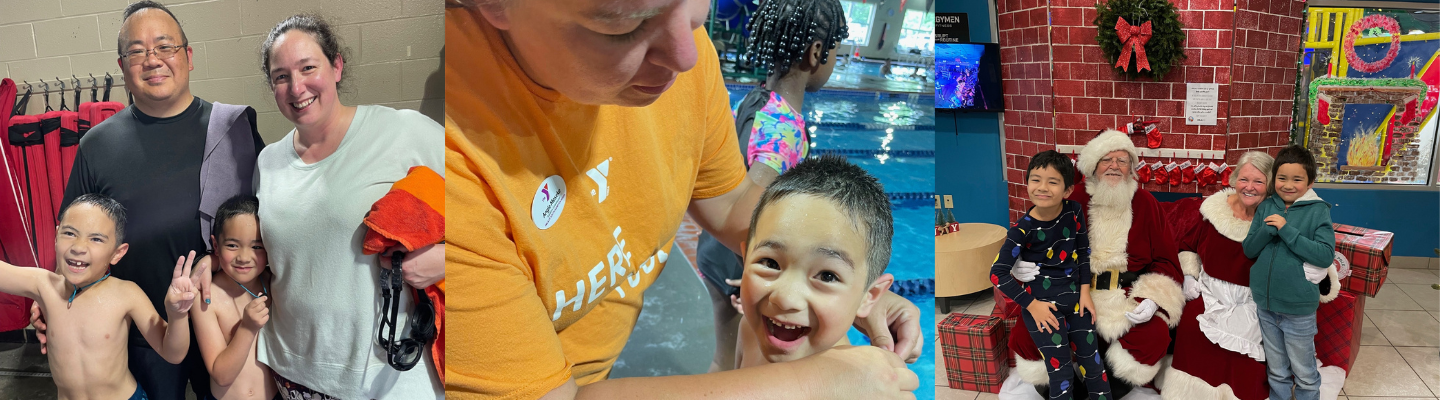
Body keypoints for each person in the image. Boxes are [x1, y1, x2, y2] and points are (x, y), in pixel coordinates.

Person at [443, 0, 923, 398]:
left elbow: (732, 205)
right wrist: (811, 381)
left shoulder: (682, 58)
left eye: (694, 13)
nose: (685, 56)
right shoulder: (446, 157)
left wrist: (846, 284)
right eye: (625, 24)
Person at [40, 2, 264, 398]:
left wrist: (220, 263)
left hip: (230, 322)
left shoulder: (234, 129)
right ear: (122, 66)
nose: (152, 60)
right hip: (147, 334)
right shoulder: (97, 145)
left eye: (165, 47)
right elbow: (71, 240)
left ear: (189, 57)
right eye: (137, 52)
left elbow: (270, 223)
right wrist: (54, 299)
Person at [252, 14, 444, 400]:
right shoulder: (268, 162)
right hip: (293, 371)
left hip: (388, 375)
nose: (297, 86)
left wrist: (448, 258)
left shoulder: (401, 132)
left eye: (308, 67)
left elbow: (491, 209)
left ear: (336, 66)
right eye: (281, 76)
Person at [695, 0, 848, 372]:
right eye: (835, 54)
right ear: (816, 53)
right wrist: (756, 265)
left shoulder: (754, 101)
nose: (833, 62)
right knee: (753, 367)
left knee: (724, 356)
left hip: (713, 250)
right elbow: (750, 199)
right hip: (743, 263)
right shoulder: (783, 126)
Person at [1009, 130, 1184, 397]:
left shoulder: (1146, 204)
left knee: (1154, 334)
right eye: (1107, 159)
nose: (1114, 165)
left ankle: (1114, 384)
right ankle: (1057, 381)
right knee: (1030, 329)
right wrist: (1022, 262)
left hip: (1125, 296)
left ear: (1131, 168)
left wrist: (1152, 298)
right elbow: (1035, 239)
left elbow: (1166, 261)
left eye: (1122, 160)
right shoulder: (1069, 199)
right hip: (1070, 289)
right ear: (1093, 165)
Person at [1160, 150, 1340, 400]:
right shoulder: (1214, 212)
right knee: (1192, 327)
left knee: (1257, 354)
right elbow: (1189, 245)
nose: (1250, 187)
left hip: (1258, 300)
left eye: (1258, 181)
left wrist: (1321, 274)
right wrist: (1189, 275)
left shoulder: (1288, 214)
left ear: (1270, 184)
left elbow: (1318, 252)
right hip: (1212, 294)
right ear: (1234, 179)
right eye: (1244, 179)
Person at [0, 194, 198, 400]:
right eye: (70, 233)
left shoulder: (126, 293)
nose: (78, 247)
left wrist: (177, 315)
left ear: (117, 253)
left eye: (96, 239)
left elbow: (173, 354)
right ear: (56, 236)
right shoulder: (43, 284)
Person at [732, 155, 900, 369]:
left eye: (827, 276)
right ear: (746, 261)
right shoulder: (748, 329)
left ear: (869, 296)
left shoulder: (855, 386)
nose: (786, 299)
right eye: (770, 263)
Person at [991, 151, 1110, 400]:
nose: (1042, 187)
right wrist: (1032, 306)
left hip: (1077, 302)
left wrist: (1085, 292)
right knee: (1062, 375)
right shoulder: (1021, 230)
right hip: (1043, 310)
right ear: (1027, 184)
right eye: (1035, 179)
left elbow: (1082, 251)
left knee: (1094, 367)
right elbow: (997, 274)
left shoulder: (1073, 211)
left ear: (1067, 190)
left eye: (1052, 181)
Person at [1241, 145, 1335, 400]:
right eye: (1282, 178)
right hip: (1266, 306)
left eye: (1297, 179)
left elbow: (1325, 255)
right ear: (1274, 179)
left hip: (1298, 310)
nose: (1288, 185)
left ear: (1310, 181)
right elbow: (1249, 249)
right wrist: (1267, 230)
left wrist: (1286, 230)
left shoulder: (1318, 210)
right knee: (1277, 368)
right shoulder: (1266, 207)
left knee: (1304, 370)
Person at [190, 195, 277, 400]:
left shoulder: (273, 283)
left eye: (257, 247)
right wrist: (247, 328)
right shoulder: (206, 297)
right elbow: (221, 375)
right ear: (216, 246)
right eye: (232, 245)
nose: (244, 257)